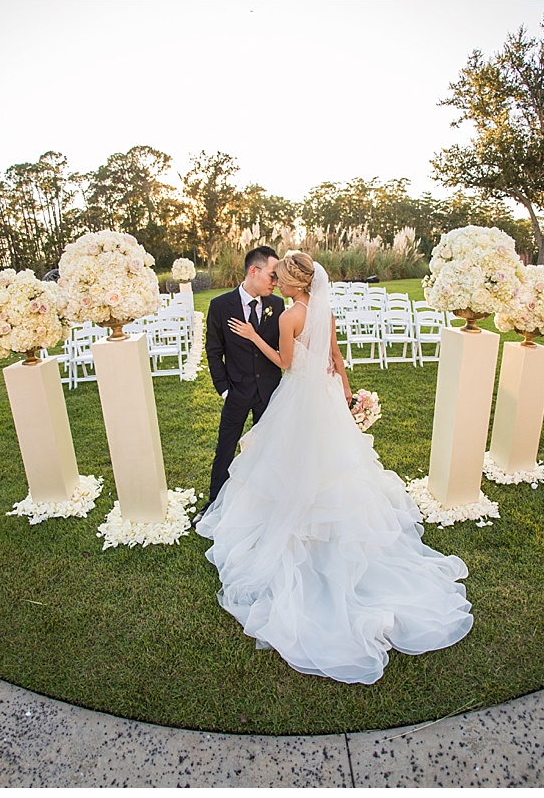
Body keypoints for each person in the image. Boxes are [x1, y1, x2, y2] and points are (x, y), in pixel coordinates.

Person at [196, 251, 473, 685]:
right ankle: (329, 527)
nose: (277, 284)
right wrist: (345, 393)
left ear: (294, 283)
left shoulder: (288, 318)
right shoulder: (323, 309)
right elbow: (337, 356)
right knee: (336, 467)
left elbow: (284, 362)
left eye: (281, 279)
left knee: (292, 464)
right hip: (325, 397)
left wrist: (253, 336)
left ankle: (299, 528)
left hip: (299, 397)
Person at [201, 246, 286, 512]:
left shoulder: (277, 304)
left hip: (269, 391)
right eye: (273, 275)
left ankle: (265, 504)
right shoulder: (220, 305)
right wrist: (225, 390)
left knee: (269, 450)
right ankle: (215, 504)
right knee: (225, 449)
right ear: (253, 270)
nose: (277, 282)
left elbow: (280, 349)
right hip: (236, 391)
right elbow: (214, 352)